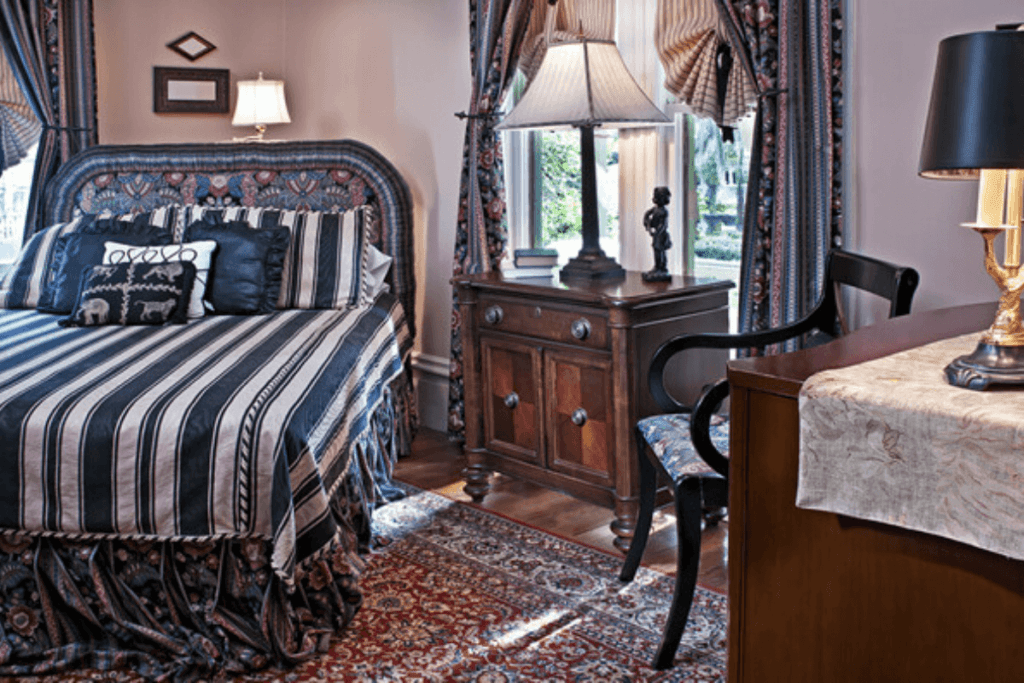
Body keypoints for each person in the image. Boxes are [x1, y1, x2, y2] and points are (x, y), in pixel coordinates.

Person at [643, 186, 672, 281]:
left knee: (660, 251)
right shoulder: (655, 209)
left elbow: (663, 225)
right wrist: (648, 224)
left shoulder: (664, 212)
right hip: (656, 234)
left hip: (661, 235)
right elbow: (647, 214)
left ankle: (661, 267)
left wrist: (656, 232)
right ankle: (657, 267)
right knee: (656, 250)